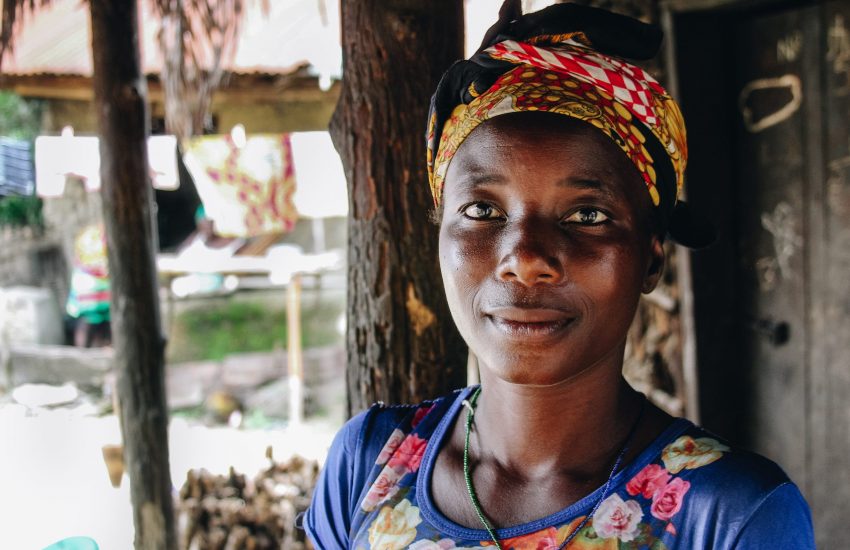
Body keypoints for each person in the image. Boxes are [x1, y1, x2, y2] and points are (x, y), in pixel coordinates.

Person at [304, 3, 815, 548]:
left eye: (587, 216)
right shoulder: (367, 468)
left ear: (651, 259)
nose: (524, 257)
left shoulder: (732, 516)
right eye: (481, 211)